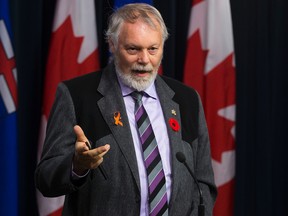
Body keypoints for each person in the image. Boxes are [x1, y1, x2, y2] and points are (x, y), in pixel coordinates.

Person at [35, 3, 217, 216]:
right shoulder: (77, 96)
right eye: (133, 49)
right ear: (112, 44)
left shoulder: (186, 99)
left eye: (153, 49)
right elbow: (45, 179)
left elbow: (203, 183)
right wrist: (77, 166)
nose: (144, 60)